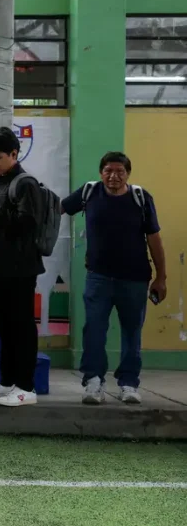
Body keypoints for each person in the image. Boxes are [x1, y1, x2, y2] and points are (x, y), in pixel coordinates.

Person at [61, 152, 166, 405]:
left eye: (120, 171)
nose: (113, 176)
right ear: (101, 172)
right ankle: (93, 381)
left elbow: (154, 238)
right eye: (108, 171)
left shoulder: (141, 198)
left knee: (132, 332)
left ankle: (128, 383)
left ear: (128, 174)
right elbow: (57, 209)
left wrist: (161, 277)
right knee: (94, 330)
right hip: (98, 278)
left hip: (135, 279)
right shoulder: (89, 193)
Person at [0, 127, 44, 407]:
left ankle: (26, 387)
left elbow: (28, 223)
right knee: (5, 327)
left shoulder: (25, 183)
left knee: (21, 327)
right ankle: (7, 381)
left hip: (20, 269)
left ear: (14, 154)